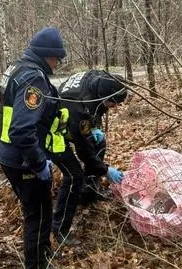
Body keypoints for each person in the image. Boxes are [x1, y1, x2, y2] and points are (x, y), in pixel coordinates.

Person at [0, 27, 66, 269]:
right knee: (38, 216)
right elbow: (21, 130)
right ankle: (37, 264)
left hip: (7, 154)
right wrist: (38, 163)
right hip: (23, 159)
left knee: (34, 211)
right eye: (58, 58)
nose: (58, 64)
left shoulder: (16, 68)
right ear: (48, 54)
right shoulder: (33, 78)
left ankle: (43, 256)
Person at [50, 70, 128, 245]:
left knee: (99, 142)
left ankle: (90, 190)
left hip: (70, 120)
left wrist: (94, 127)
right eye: (113, 103)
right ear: (104, 96)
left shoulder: (98, 78)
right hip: (54, 133)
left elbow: (97, 110)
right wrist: (106, 170)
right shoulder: (80, 108)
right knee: (73, 176)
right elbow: (83, 151)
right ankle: (59, 229)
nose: (114, 108)